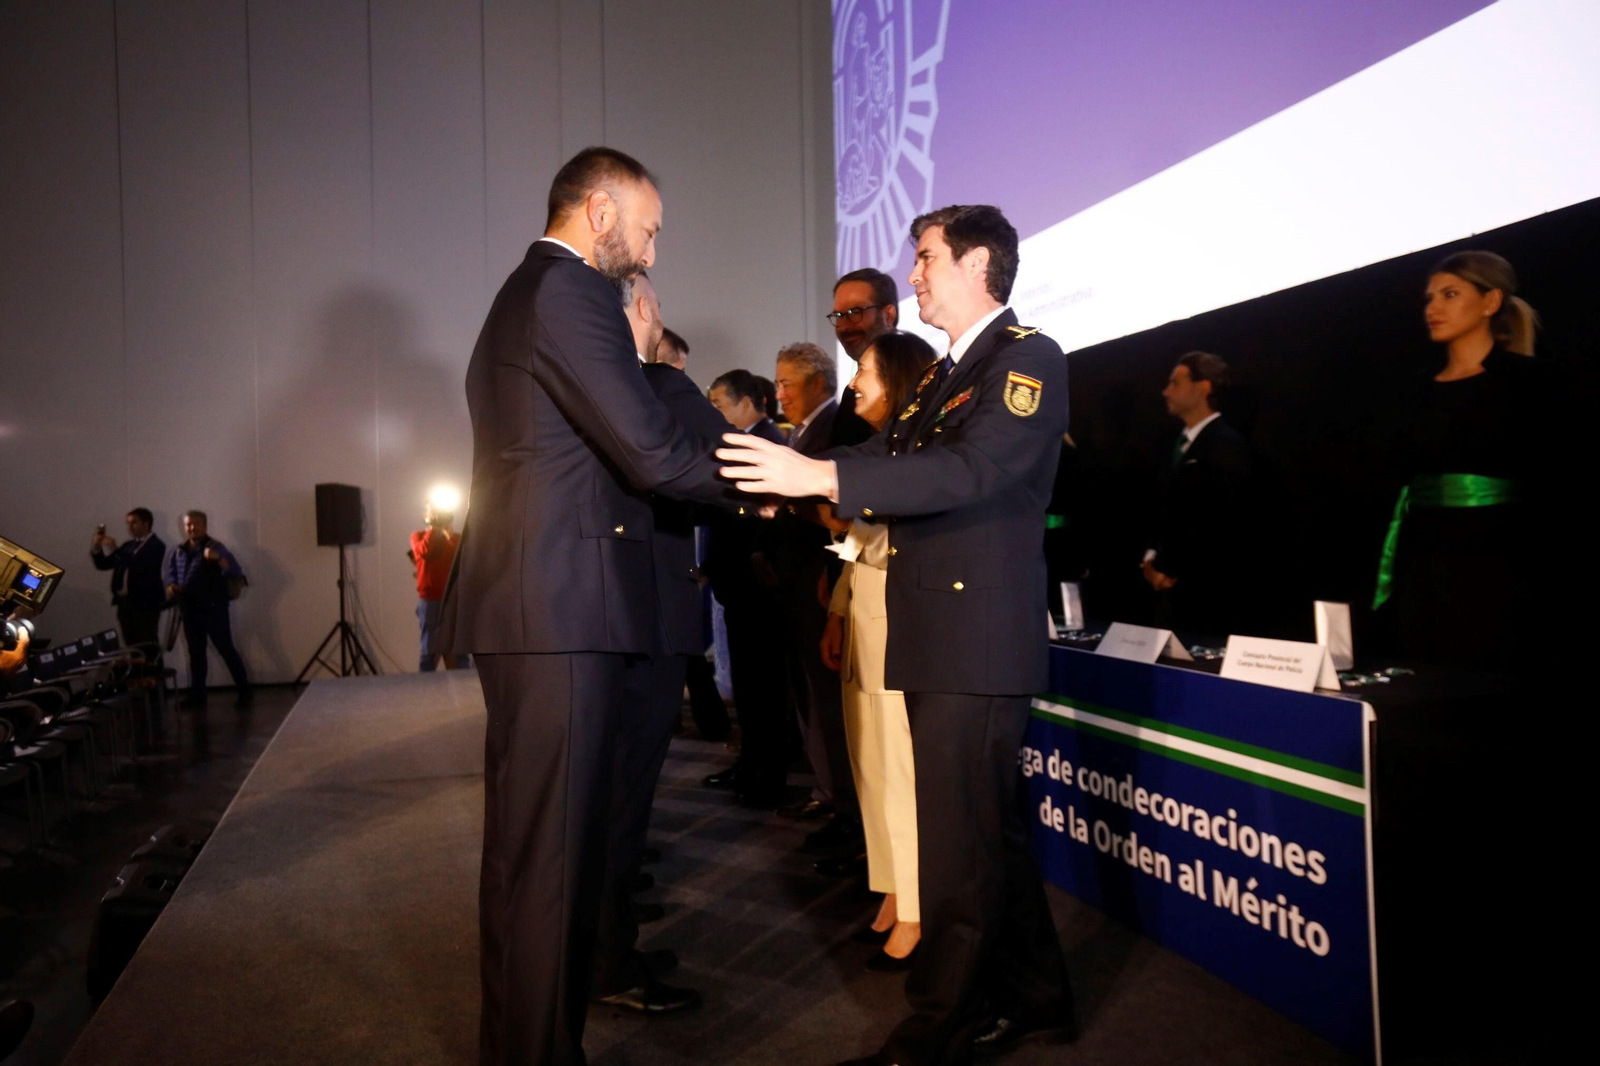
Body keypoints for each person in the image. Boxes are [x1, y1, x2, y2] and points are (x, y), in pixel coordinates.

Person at [717, 204, 1076, 1066]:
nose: (911, 275)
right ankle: (1037, 996)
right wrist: (798, 487)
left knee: (956, 846)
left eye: (925, 259)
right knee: (987, 829)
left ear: (978, 262)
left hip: (975, 638)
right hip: (941, 632)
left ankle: (936, 1030)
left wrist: (819, 469)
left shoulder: (1025, 357)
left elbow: (973, 470)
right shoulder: (951, 373)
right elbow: (893, 468)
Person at [435, 146, 739, 1066]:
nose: (649, 253)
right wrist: (782, 481)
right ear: (600, 212)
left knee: (539, 856)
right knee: (549, 862)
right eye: (647, 229)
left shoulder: (529, 292)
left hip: (545, 603)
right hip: (559, 609)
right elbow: (650, 453)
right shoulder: (570, 293)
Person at [589, 270, 728, 1013]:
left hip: (598, 622)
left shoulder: (584, 386)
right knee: (623, 801)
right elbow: (727, 464)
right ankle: (608, 961)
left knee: (599, 797)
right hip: (648, 624)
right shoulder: (658, 386)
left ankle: (602, 942)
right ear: (643, 311)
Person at [819, 331, 936, 970]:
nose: (854, 382)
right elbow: (858, 543)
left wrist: (846, 517)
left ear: (898, 378)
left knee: (898, 769)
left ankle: (918, 908)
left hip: (898, 631)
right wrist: (837, 610)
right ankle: (893, 889)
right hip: (865, 624)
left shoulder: (919, 453)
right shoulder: (883, 450)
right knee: (869, 763)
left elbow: (891, 537)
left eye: (863, 369)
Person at [1373, 249, 1553, 664]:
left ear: (1490, 302)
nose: (1432, 308)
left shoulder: (1532, 382)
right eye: (1430, 298)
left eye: (1449, 294)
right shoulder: (1415, 390)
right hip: (1420, 567)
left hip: (1500, 567)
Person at [770, 342, 860, 851]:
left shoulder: (833, 430)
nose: (779, 393)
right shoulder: (802, 433)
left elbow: (837, 516)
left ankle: (847, 813)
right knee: (812, 700)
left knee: (831, 704)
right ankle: (831, 797)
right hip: (799, 584)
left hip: (826, 586)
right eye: (778, 383)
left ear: (819, 383)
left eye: (788, 383)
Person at [701, 369, 791, 807]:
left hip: (760, 586)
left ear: (749, 402)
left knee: (764, 685)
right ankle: (750, 763)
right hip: (737, 583)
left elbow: (760, 515)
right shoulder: (741, 443)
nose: (713, 410)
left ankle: (766, 775)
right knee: (748, 684)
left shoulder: (769, 441)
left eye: (720, 402)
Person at [1141, 351, 1256, 638]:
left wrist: (1170, 569)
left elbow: (1220, 522)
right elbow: (1163, 510)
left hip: (1205, 600)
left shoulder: (1227, 446)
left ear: (1203, 387)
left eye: (1175, 383)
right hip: (1170, 593)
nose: (1165, 391)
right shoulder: (1174, 445)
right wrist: (1151, 561)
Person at [164, 510, 251, 709]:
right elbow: (172, 574)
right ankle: (198, 695)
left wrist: (219, 559)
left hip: (213, 608)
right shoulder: (179, 550)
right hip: (189, 608)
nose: (191, 528)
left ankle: (245, 690)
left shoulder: (216, 547)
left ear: (205, 526)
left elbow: (235, 572)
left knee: (225, 648)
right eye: (188, 525)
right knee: (195, 653)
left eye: (195, 524)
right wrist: (172, 585)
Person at [829, 268, 900, 449]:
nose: (844, 326)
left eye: (855, 312)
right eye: (838, 316)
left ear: (889, 315)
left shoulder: (919, 381)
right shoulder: (851, 394)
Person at [90, 507, 167, 648]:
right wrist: (96, 547)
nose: (130, 527)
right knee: (131, 644)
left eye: (134, 523)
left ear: (146, 523)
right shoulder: (128, 545)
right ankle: (137, 670)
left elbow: (139, 565)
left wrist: (116, 549)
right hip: (125, 603)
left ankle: (154, 670)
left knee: (147, 643)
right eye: (128, 523)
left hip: (145, 603)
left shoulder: (156, 545)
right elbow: (103, 564)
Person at [408, 502, 461, 671]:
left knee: (458, 650)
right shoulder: (418, 536)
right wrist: (433, 530)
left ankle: (462, 688)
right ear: (426, 516)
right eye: (432, 512)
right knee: (429, 649)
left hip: (452, 599)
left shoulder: (455, 538)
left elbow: (459, 558)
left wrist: (448, 536)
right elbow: (424, 552)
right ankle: (425, 688)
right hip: (429, 599)